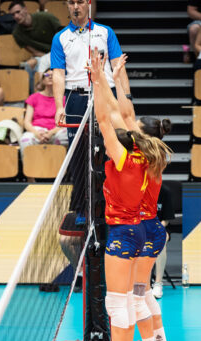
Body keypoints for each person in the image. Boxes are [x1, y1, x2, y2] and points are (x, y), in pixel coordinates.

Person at [87, 51, 174, 341]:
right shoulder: (154, 153)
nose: (128, 123)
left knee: (118, 302)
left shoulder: (123, 158)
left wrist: (98, 79)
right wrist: (114, 77)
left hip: (126, 231)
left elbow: (106, 118)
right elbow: (124, 113)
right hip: (147, 228)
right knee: (139, 295)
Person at [51, 0, 129, 217]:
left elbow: (118, 66)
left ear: (88, 4)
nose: (75, 7)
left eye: (79, 2)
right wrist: (59, 106)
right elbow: (58, 74)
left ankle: (113, 204)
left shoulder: (105, 32)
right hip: (75, 97)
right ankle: (81, 210)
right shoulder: (60, 38)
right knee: (77, 155)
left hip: (105, 94)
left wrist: (126, 98)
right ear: (67, 6)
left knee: (111, 149)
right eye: (71, 2)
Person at [133, 115, 181, 341]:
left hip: (142, 232)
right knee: (143, 292)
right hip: (148, 229)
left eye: (136, 127)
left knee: (136, 296)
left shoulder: (141, 158)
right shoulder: (154, 154)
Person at [9, 0, 62, 89]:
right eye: (13, 15)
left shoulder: (45, 17)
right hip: (43, 56)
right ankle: (35, 92)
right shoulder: (17, 33)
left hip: (60, 51)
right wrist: (47, 58)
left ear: (25, 9)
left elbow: (62, 36)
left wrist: (55, 56)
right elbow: (35, 52)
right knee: (29, 64)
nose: (16, 16)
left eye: (18, 12)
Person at [19, 70, 67, 153]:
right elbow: (27, 122)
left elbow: (64, 122)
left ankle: (60, 161)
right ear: (43, 80)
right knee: (25, 140)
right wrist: (36, 133)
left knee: (65, 137)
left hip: (56, 131)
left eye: (53, 75)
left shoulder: (64, 99)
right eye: (47, 75)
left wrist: (51, 133)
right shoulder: (33, 97)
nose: (50, 76)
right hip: (37, 130)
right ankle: (29, 162)